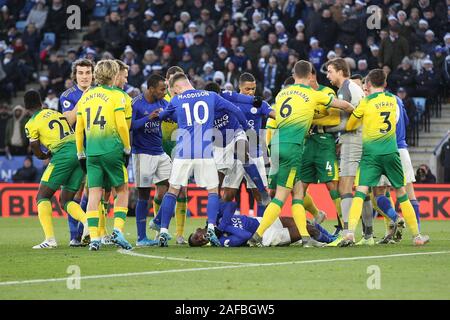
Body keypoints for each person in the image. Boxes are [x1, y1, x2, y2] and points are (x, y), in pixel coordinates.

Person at [248, 60, 354, 248]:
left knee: (298, 193)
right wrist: (356, 109)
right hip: (293, 146)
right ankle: (257, 236)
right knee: (281, 196)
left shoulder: (282, 94)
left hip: (276, 144)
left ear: (294, 74)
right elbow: (342, 105)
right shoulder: (313, 94)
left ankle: (306, 238)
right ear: (310, 75)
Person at [154, 72, 250, 247]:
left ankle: (163, 232)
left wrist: (161, 114)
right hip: (205, 152)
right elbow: (235, 110)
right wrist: (246, 129)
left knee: (173, 191)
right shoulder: (211, 96)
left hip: (183, 152)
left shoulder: (176, 100)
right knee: (213, 191)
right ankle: (212, 228)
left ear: (176, 88)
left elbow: (162, 117)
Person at [343, 69, 429, 246]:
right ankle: (417, 236)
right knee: (402, 193)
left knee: (360, 192)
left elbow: (351, 124)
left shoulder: (365, 102)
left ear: (367, 85)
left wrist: (361, 118)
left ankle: (350, 233)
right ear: (385, 84)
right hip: (392, 152)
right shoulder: (392, 100)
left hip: (371, 155)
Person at [75, 60, 132, 251]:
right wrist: (127, 147)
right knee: (122, 190)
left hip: (92, 152)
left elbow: (79, 128)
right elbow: (122, 125)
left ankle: (94, 239)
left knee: (94, 193)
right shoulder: (117, 96)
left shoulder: (86, 96)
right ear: (114, 75)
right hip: (112, 149)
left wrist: (80, 151)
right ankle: (117, 230)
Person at [24, 90, 88, 249]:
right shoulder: (54, 113)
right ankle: (88, 224)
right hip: (80, 151)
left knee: (42, 196)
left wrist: (43, 156)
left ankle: (50, 239)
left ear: (26, 108)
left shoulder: (31, 123)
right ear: (41, 103)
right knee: (66, 199)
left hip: (63, 154)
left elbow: (34, 146)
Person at [325, 58, 369, 245]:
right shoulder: (353, 88)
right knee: (364, 188)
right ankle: (368, 236)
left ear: (341, 71)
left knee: (345, 187)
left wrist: (322, 128)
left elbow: (344, 124)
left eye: (330, 71)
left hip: (353, 139)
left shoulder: (344, 89)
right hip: (362, 138)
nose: (328, 75)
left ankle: (347, 233)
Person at [131, 74, 169, 247]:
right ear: (151, 88)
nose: (164, 92)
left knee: (176, 184)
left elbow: (172, 114)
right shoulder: (136, 103)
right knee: (144, 195)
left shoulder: (163, 102)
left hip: (159, 152)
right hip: (142, 153)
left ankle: (158, 220)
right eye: (162, 89)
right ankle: (141, 238)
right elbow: (129, 125)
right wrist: (149, 118)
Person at [60, 58, 95, 247]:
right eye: (80, 73)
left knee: (92, 192)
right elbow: (69, 121)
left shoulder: (100, 93)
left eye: (88, 73)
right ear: (75, 75)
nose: (84, 77)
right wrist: (84, 99)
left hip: (97, 147)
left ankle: (88, 233)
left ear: (93, 75)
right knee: (74, 193)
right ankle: (74, 235)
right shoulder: (68, 95)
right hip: (76, 150)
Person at [188, 211, 337, 247]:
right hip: (267, 236)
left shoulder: (217, 220)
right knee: (308, 229)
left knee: (303, 221)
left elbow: (229, 206)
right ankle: (331, 243)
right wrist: (224, 227)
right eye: (200, 242)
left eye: (197, 237)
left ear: (199, 229)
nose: (201, 239)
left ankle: (333, 237)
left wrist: (219, 224)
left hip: (263, 221)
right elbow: (245, 235)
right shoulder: (223, 240)